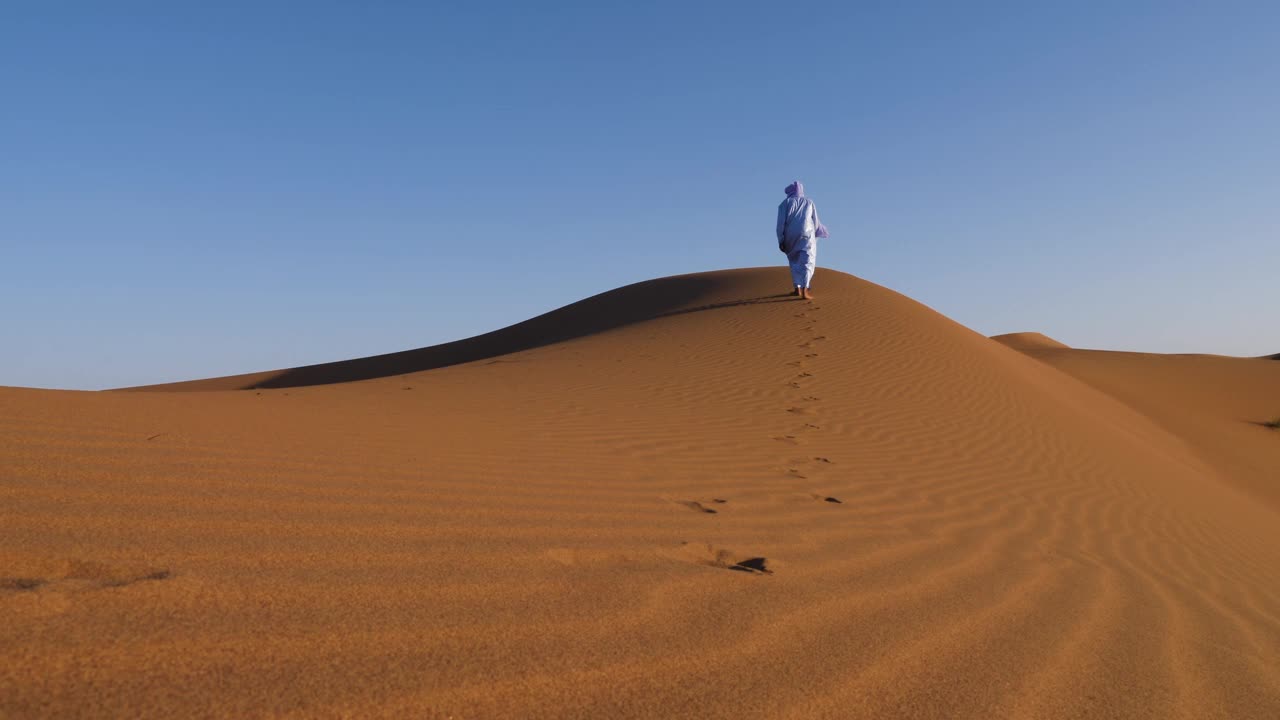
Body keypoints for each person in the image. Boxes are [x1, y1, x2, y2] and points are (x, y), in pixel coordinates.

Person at [776, 180, 829, 299]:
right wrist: (815, 234)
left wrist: (781, 240)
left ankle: (797, 288)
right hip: (807, 234)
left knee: (794, 261)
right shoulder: (809, 202)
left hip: (790, 237)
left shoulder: (785, 204)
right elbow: (815, 221)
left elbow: (780, 225)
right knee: (808, 261)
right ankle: (805, 289)